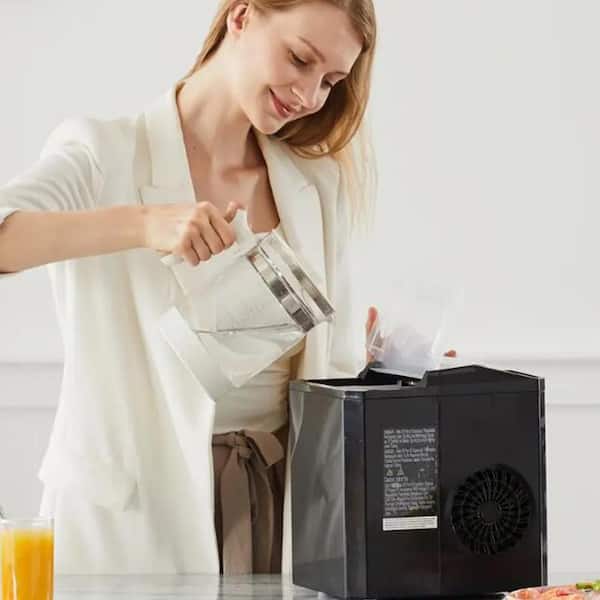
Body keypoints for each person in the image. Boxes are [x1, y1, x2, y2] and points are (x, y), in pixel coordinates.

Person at [0, 0, 455, 577]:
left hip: (277, 505)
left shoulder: (315, 183)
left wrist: (383, 373)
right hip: (131, 515)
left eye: (330, 82)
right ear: (241, 16)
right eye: (300, 59)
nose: (309, 95)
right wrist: (145, 223)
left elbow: (311, 372)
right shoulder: (103, 151)